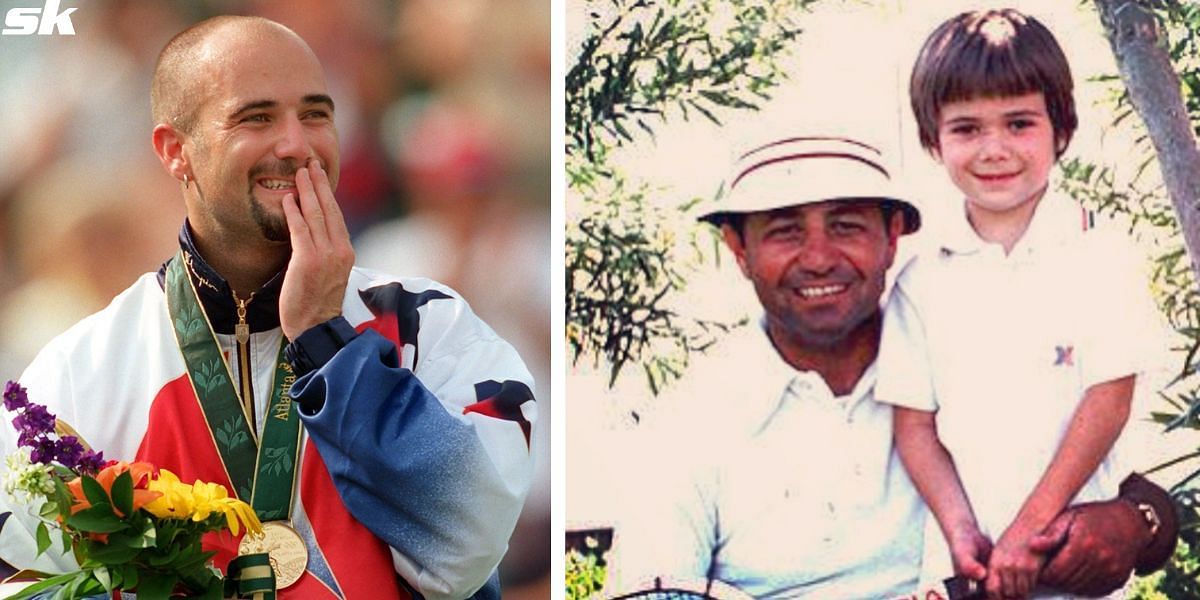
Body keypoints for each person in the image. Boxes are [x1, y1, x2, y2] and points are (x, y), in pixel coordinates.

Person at [0, 16, 536, 600]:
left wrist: (326, 340)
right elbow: (24, 579)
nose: (297, 145)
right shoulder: (82, 370)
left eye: (315, 114)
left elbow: (468, 544)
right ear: (175, 150)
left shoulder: (432, 324)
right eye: (256, 117)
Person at [607, 135, 1176, 599]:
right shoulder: (688, 423)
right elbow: (653, 591)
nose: (820, 257)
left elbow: (1145, 499)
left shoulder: (966, 353)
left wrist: (1131, 524)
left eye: (847, 225)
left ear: (893, 237)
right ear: (738, 248)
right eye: (784, 230)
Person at [875, 9, 1165, 599]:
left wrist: (1030, 529)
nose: (994, 149)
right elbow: (915, 426)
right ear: (933, 140)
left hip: (1070, 567)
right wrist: (962, 533)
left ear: (1060, 129)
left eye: (1018, 123)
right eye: (966, 129)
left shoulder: (1100, 251)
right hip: (967, 579)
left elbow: (1107, 401)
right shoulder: (921, 278)